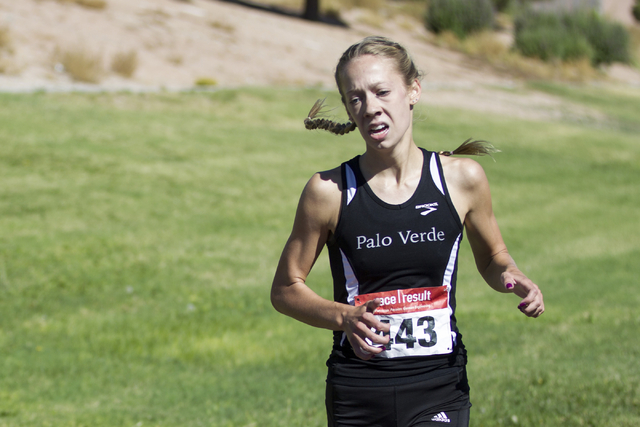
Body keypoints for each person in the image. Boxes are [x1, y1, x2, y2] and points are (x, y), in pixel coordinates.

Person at [271, 36, 544, 427]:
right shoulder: (329, 191)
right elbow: (285, 290)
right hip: (359, 391)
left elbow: (493, 257)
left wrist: (511, 275)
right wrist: (344, 317)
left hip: (439, 385)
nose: (370, 108)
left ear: (413, 90)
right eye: (355, 98)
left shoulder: (462, 179)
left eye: (382, 91)